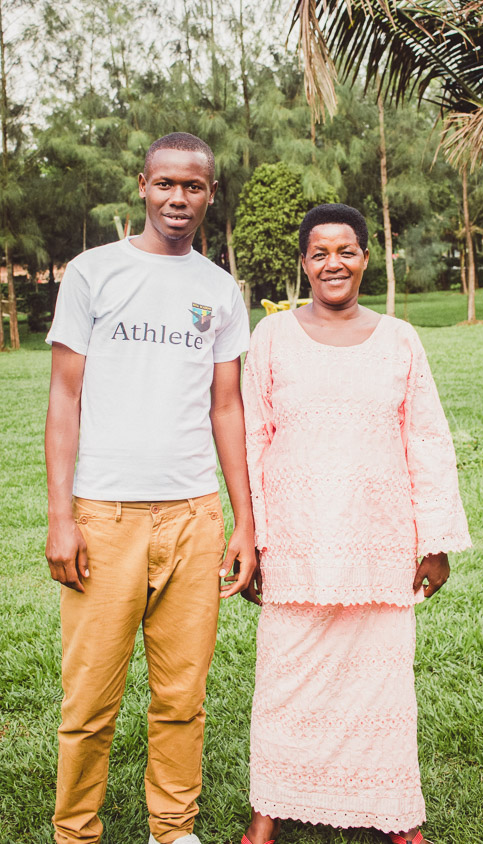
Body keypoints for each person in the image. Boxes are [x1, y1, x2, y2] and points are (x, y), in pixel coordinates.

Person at [44, 132, 256, 844]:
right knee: (90, 700)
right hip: (103, 516)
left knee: (181, 695)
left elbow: (227, 407)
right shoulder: (92, 273)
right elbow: (63, 399)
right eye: (165, 184)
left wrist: (242, 521)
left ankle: (173, 826)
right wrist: (60, 518)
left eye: (192, 187)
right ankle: (75, 830)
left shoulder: (218, 289)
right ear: (143, 184)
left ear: (209, 195)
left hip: (193, 516)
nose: (177, 198)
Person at [241, 203, 471, 844]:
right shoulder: (271, 339)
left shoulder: (401, 339)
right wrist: (253, 540)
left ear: (367, 257)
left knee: (380, 681)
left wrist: (437, 541)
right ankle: (269, 811)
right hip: (296, 540)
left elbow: (427, 440)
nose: (333, 263)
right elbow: (253, 439)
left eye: (346, 251)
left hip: (381, 539)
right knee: (285, 677)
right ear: (303, 263)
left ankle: (394, 812)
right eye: (319, 253)